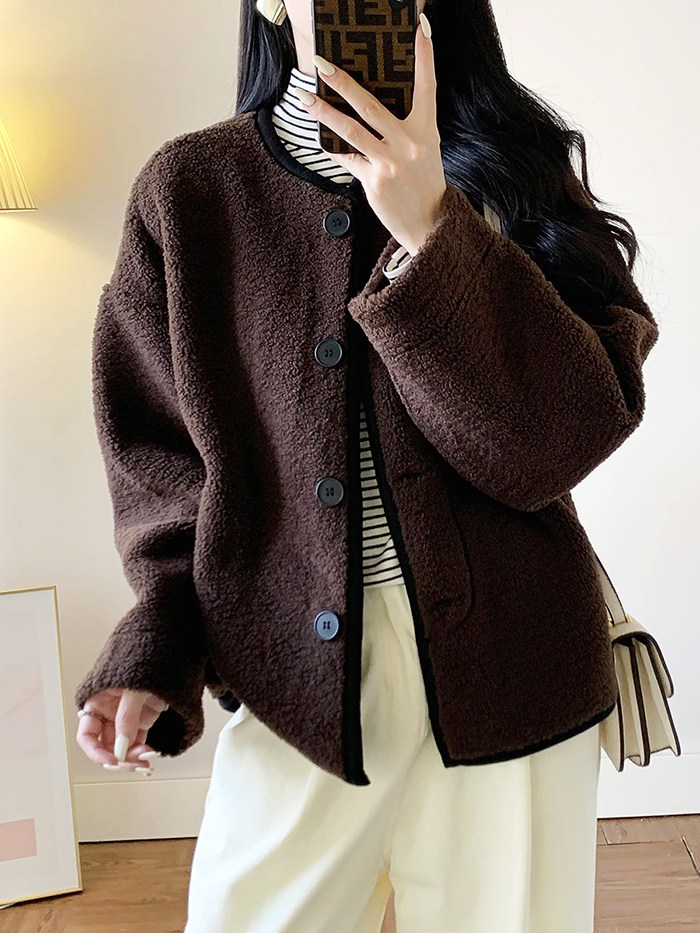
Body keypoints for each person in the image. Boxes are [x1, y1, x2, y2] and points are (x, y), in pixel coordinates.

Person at [75, 1, 660, 931]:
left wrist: (433, 227)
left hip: (514, 674)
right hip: (292, 681)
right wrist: (159, 646)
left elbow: (560, 441)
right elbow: (163, 476)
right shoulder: (188, 193)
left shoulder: (516, 167)